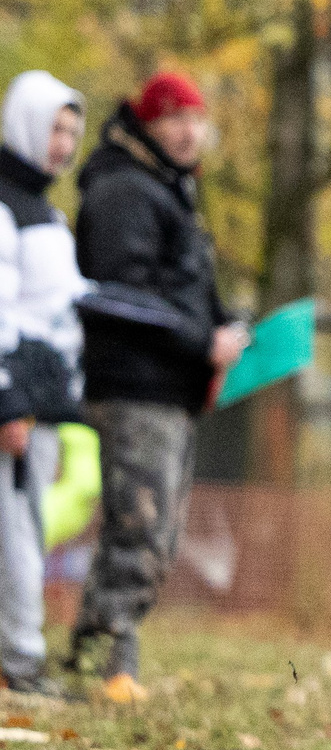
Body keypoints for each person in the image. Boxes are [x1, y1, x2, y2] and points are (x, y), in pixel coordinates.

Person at [65, 71, 248, 703]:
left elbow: (184, 291)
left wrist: (226, 332)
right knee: (138, 525)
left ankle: (98, 649)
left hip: (169, 390)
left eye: (197, 119)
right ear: (148, 125)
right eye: (174, 120)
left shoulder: (171, 194)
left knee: (157, 532)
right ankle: (113, 662)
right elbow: (121, 294)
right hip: (133, 388)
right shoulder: (123, 190)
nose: (189, 131)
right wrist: (202, 345)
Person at [0, 72, 88, 698]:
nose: (63, 144)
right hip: (17, 401)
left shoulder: (48, 212)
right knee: (18, 532)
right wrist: (8, 398)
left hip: (48, 398)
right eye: (55, 127)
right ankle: (21, 660)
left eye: (72, 132)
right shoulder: (4, 204)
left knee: (25, 527)